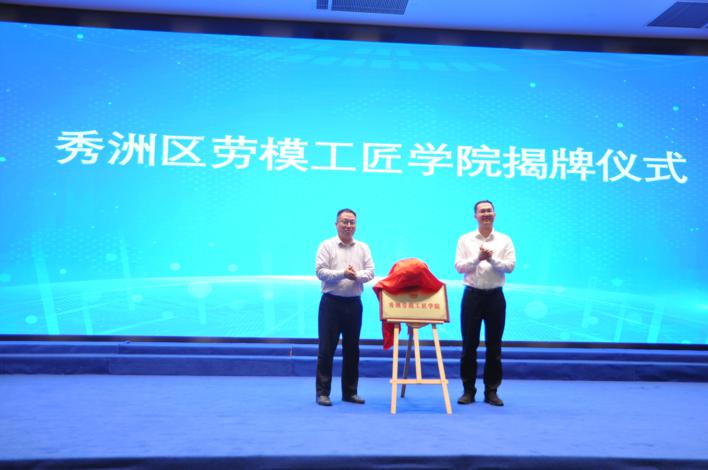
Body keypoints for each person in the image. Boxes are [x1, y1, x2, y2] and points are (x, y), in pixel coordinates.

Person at [454, 200, 516, 406]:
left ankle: (491, 391)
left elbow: (510, 266)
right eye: (482, 211)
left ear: (495, 214)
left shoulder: (504, 240)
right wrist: (478, 258)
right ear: (475, 216)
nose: (486, 214)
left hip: (495, 297)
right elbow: (459, 267)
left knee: (494, 347)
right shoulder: (465, 239)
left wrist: (491, 260)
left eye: (489, 211)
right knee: (469, 346)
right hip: (472, 296)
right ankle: (468, 391)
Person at [315, 208, 375, 406]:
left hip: (354, 304)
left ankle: (350, 392)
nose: (348, 226)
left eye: (352, 222)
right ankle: (323, 393)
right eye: (344, 222)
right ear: (336, 224)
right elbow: (320, 272)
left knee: (352, 350)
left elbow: (370, 272)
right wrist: (343, 273)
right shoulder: (326, 245)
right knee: (326, 349)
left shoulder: (363, 247)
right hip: (331, 304)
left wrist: (356, 276)